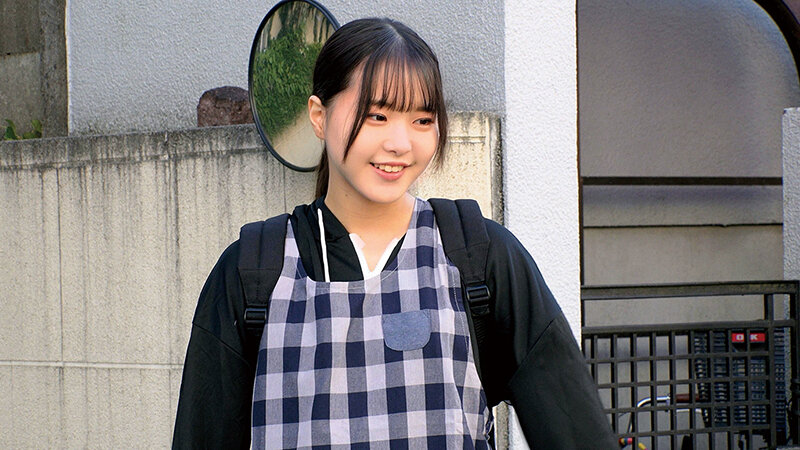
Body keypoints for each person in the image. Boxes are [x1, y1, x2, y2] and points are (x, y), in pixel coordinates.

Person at [173, 17, 616, 449]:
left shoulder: (478, 257)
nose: (400, 144)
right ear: (319, 116)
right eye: (377, 116)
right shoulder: (253, 272)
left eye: (422, 120)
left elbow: (576, 428)